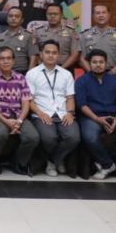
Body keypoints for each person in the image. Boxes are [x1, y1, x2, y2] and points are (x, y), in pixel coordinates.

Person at [75, 49, 116, 180]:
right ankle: (108, 164)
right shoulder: (81, 81)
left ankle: (105, 161)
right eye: (94, 62)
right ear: (89, 64)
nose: (98, 65)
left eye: (101, 62)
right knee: (90, 137)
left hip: (113, 117)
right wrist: (97, 119)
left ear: (106, 63)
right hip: (91, 117)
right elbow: (82, 105)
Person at [26, 40, 79, 176]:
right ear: (41, 54)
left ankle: (53, 161)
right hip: (41, 113)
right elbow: (29, 100)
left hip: (62, 113)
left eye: (54, 53)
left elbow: (70, 98)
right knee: (49, 138)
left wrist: (70, 113)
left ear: (58, 55)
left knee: (74, 137)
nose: (51, 55)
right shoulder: (32, 74)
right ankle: (58, 160)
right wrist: (40, 113)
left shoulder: (66, 74)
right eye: (47, 52)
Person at [0, 46, 39, 176]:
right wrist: (6, 122)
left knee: (33, 137)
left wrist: (19, 121)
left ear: (13, 61)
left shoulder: (21, 78)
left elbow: (26, 103)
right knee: (0, 134)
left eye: (8, 58)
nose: (5, 61)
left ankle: (18, 162)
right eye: (2, 59)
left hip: (18, 115)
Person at [79, 4, 116, 76]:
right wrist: (92, 73)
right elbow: (81, 59)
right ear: (93, 16)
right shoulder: (84, 35)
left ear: (109, 15)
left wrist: (111, 74)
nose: (101, 15)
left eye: (103, 12)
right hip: (91, 75)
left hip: (114, 74)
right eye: (98, 13)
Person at [30, 3, 80, 70]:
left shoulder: (71, 31)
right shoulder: (38, 31)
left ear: (61, 15)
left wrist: (61, 69)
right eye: (49, 14)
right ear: (46, 15)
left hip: (65, 68)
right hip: (42, 68)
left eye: (55, 14)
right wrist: (43, 67)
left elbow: (75, 54)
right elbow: (35, 52)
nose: (52, 16)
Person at [0, 6, 36, 73]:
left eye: (17, 16)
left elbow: (33, 58)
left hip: (21, 72)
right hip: (2, 73)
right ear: (7, 19)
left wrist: (29, 75)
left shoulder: (29, 36)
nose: (13, 18)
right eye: (11, 16)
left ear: (22, 20)